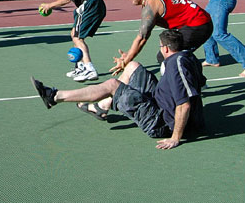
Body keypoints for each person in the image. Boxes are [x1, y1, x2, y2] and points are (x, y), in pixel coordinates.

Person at [32, 29, 205, 150]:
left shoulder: (176, 65)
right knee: (133, 66)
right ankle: (101, 107)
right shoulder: (189, 57)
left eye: (160, 46)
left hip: (160, 123)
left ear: (166, 48)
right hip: (160, 102)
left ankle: (54, 96)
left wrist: (175, 138)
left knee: (112, 85)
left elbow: (184, 104)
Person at [110, 0, 213, 77]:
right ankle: (197, 81)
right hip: (198, 23)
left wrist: (126, 61)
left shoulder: (151, 4)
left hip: (199, 25)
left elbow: (142, 38)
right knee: (170, 54)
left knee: (167, 56)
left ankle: (181, 86)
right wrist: (128, 54)